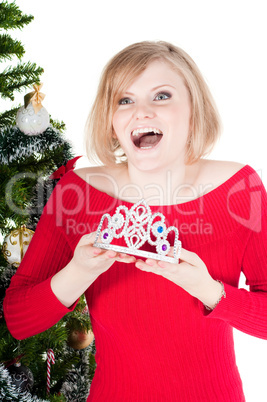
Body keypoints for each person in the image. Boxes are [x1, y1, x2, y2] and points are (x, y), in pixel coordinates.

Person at [4, 41, 267, 401]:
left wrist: (208, 290)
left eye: (161, 96)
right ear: (112, 123)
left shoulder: (241, 186)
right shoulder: (76, 192)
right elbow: (19, 319)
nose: (141, 112)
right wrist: (81, 270)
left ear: (194, 109)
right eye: (124, 100)